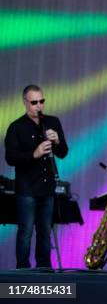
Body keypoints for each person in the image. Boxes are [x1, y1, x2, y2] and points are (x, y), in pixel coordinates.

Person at [4, 85, 68, 268]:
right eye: (34, 102)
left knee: (45, 232)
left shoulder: (52, 122)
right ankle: (22, 269)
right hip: (26, 189)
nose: (39, 106)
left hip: (47, 188)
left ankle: (44, 269)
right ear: (25, 103)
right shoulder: (16, 127)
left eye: (42, 101)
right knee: (25, 231)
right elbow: (10, 158)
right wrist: (35, 153)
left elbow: (63, 152)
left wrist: (57, 141)